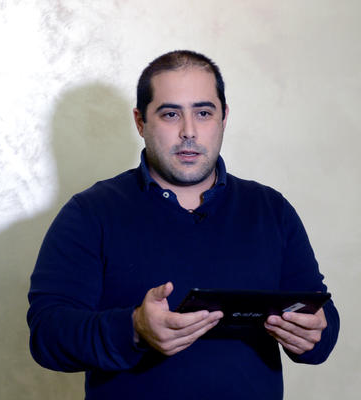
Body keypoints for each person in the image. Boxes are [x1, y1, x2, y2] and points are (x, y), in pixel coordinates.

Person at [27, 50, 340, 399]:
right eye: (170, 114)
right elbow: (46, 335)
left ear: (224, 118)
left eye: (203, 113)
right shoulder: (89, 213)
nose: (188, 131)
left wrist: (315, 332)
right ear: (140, 122)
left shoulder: (272, 210)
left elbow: (320, 322)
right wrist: (134, 329)